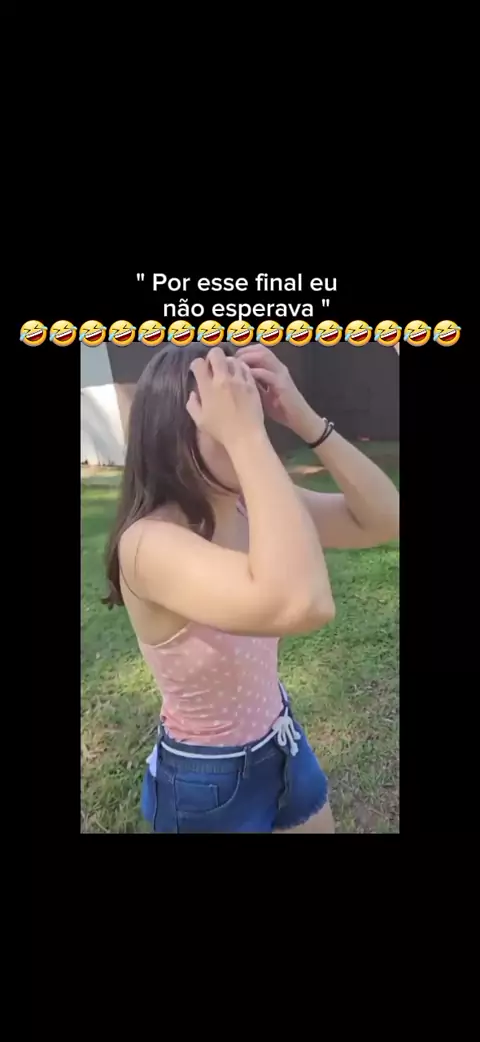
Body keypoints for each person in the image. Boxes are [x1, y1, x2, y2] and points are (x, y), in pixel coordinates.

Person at [104, 343, 399, 833]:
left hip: (281, 739)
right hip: (207, 781)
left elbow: (383, 518)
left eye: (253, 411)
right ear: (178, 430)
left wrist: (306, 420)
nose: (253, 426)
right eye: (232, 414)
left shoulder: (244, 505)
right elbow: (302, 603)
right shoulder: (147, 545)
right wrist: (246, 439)